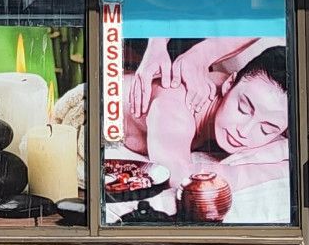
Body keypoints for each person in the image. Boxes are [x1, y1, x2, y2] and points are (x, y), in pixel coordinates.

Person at [118, 36, 291, 218]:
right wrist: (281, 169)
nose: (244, 131)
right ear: (229, 84)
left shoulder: (248, 95)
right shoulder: (175, 110)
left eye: (267, 129)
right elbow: (179, 177)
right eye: (243, 108)